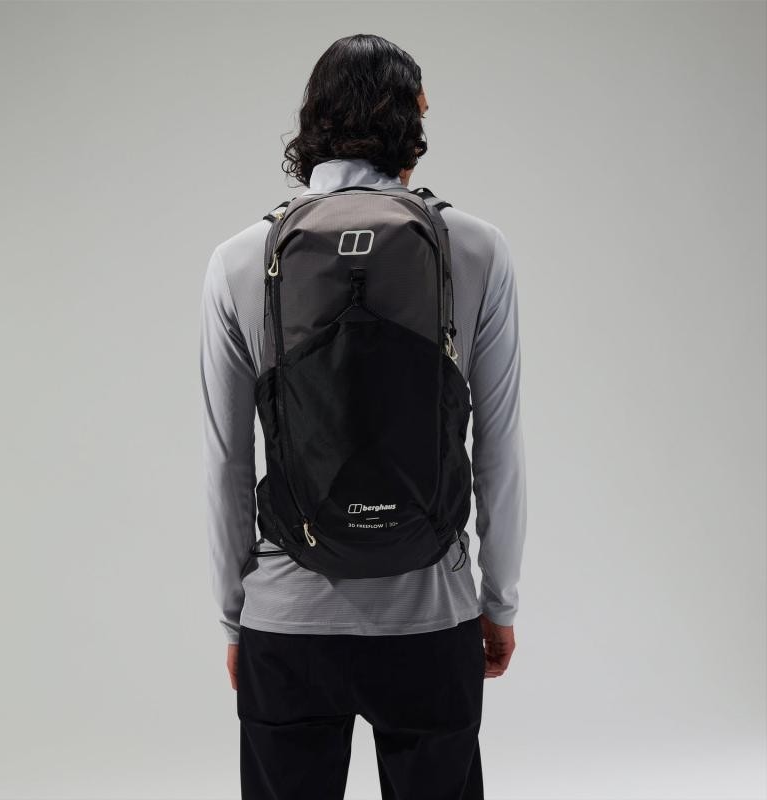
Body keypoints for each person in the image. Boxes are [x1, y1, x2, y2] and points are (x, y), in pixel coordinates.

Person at [199, 33, 527, 800]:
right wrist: (499, 601)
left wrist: (236, 618)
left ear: (311, 123)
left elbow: (226, 464)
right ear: (412, 123)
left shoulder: (240, 258)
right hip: (431, 615)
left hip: (287, 619)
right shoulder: (476, 248)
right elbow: (500, 448)